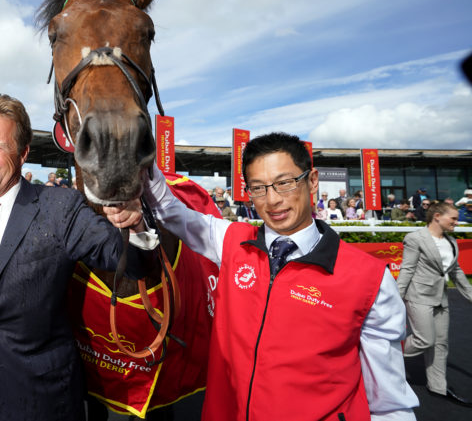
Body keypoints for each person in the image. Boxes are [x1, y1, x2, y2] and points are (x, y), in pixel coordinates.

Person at [131, 132, 417, 420]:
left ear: (312, 180)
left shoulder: (370, 280)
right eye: (258, 188)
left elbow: (390, 404)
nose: (272, 201)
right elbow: (170, 211)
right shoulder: (232, 241)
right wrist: (140, 154)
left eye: (284, 183)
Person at [0, 92, 148, 421]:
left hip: (42, 396)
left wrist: (135, 225)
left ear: (23, 153)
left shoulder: (60, 207)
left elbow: (127, 261)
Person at [397, 202, 472, 406]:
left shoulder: (451, 242)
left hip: (441, 298)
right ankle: (385, 356)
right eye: (454, 218)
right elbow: (408, 269)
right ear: (437, 216)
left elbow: (456, 273)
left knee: (440, 344)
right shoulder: (415, 238)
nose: (457, 222)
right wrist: (395, 298)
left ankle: (437, 387)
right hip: (418, 295)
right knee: (424, 340)